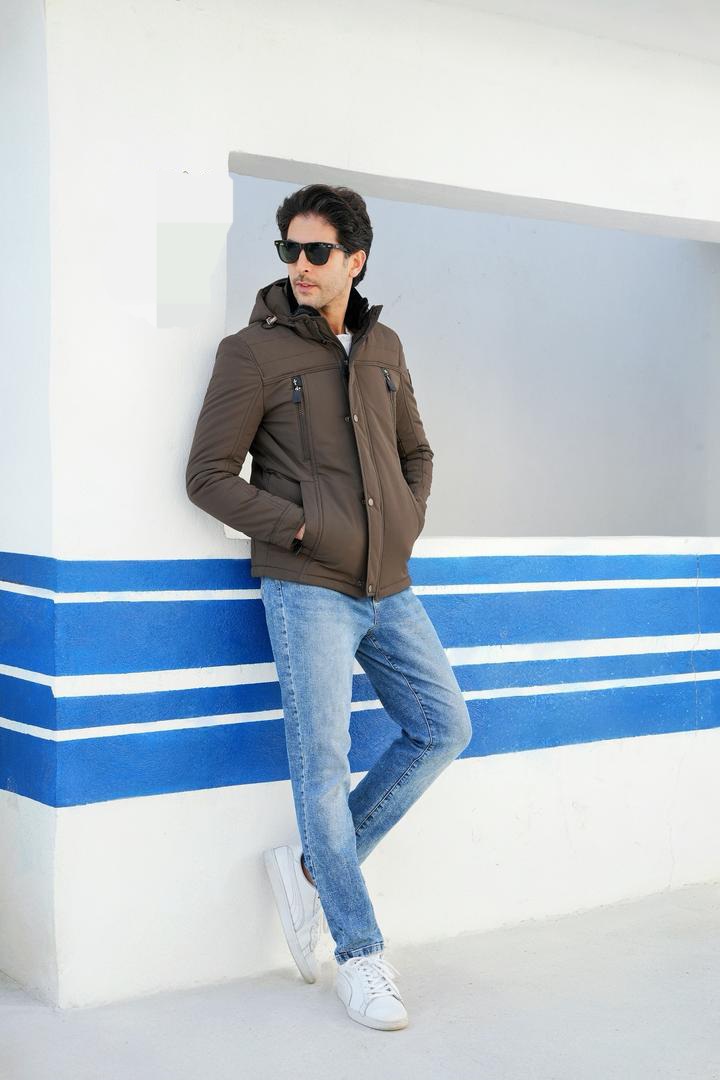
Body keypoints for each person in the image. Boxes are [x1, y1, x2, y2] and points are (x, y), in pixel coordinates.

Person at [186, 183, 473, 1031]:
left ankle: (312, 868)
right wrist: (304, 528)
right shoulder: (251, 353)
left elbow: (417, 451)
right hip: (307, 586)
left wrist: (406, 519)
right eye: (289, 249)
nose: (300, 266)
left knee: (444, 727)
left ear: (356, 259)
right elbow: (207, 476)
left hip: (389, 584)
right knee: (322, 766)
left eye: (317, 251)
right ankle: (360, 954)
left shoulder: (384, 345)